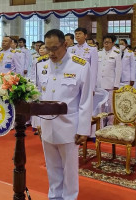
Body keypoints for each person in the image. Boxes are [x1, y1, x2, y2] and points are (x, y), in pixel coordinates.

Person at [38, 29, 92, 200]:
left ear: (65, 44)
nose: (51, 53)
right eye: (47, 48)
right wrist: (37, 123)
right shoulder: (41, 65)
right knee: (52, 167)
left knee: (69, 169)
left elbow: (85, 100)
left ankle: (69, 197)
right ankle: (54, 196)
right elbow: (38, 95)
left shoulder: (80, 65)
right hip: (47, 125)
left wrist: (83, 129)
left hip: (69, 126)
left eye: (55, 48)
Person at [97, 35, 122, 125]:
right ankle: (101, 122)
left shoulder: (116, 54)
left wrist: (116, 84)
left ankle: (111, 122)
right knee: (101, 105)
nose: (106, 44)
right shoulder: (99, 53)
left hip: (110, 84)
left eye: (108, 42)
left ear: (113, 43)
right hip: (99, 83)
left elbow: (118, 70)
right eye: (105, 42)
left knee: (111, 105)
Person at [68, 27, 98, 92]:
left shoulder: (92, 49)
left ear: (85, 36)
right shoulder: (70, 49)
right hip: (73, 79)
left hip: (86, 79)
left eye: (79, 33)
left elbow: (94, 69)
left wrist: (92, 87)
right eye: (76, 34)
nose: (77, 35)